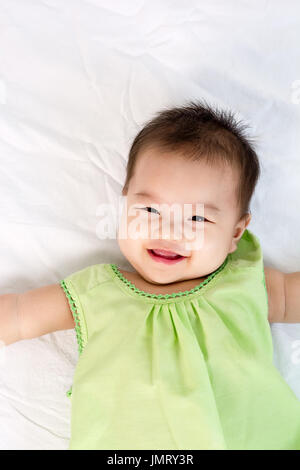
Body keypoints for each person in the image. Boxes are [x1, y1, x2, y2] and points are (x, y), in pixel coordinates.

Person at [1, 100, 300, 450]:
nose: (170, 231)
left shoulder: (247, 283)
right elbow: (18, 315)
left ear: (236, 233)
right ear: (125, 205)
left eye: (197, 218)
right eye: (150, 209)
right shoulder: (95, 294)